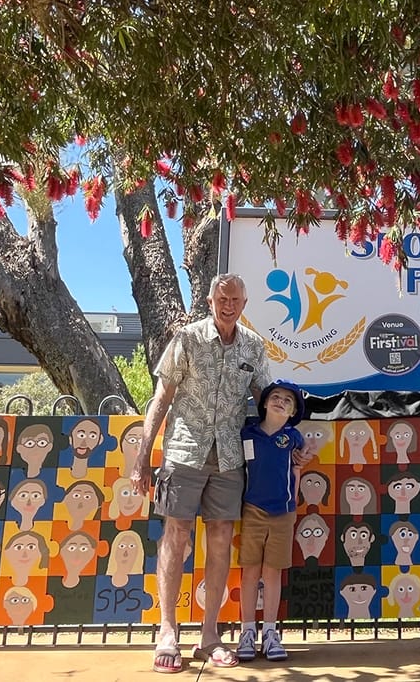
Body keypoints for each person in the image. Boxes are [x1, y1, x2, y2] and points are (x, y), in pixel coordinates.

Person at [132, 273, 272, 674]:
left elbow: (267, 401)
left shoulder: (254, 346)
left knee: (221, 538)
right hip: (183, 453)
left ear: (245, 304)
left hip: (229, 458)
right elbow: (161, 398)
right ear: (211, 301)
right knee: (175, 535)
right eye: (222, 298)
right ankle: (167, 630)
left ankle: (209, 635)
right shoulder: (187, 339)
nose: (229, 305)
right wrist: (143, 458)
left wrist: (289, 442)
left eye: (236, 300)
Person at [235, 379, 306, 663]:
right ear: (264, 403)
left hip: (283, 512)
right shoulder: (247, 434)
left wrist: (294, 505)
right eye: (275, 397)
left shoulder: (294, 438)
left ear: (292, 412)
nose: (280, 402)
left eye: (288, 401)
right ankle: (247, 631)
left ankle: (271, 632)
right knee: (250, 571)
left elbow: (298, 469)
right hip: (252, 509)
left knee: (273, 573)